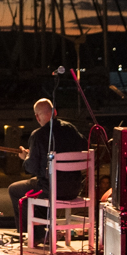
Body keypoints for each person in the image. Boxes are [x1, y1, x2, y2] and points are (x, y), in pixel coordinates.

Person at [7, 98, 87, 233]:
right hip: (74, 188)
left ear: (37, 117)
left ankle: (33, 234)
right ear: (55, 112)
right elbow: (84, 147)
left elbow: (32, 168)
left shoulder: (38, 135)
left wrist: (26, 158)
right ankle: (44, 231)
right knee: (39, 186)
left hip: (52, 190)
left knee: (15, 190)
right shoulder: (71, 129)